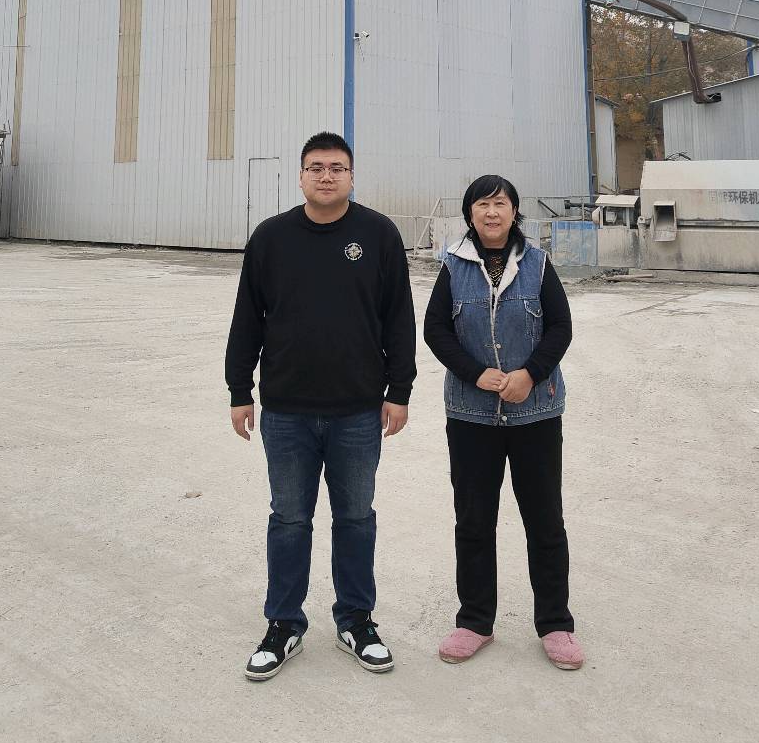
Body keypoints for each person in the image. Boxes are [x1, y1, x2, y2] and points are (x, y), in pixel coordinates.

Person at [225, 131, 416, 682]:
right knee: (289, 520)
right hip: (286, 410)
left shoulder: (378, 234)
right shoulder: (271, 237)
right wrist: (239, 389)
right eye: (316, 167)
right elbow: (247, 318)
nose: (326, 176)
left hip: (357, 411)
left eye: (336, 167)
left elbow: (399, 318)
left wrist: (399, 390)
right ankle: (283, 624)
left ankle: (356, 621)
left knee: (355, 519)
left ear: (351, 176)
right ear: (301, 176)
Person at [423, 174, 584, 670]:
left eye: (500, 204)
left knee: (544, 520)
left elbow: (560, 327)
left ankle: (555, 623)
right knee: (474, 520)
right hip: (471, 415)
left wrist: (530, 374)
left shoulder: (537, 264)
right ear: (469, 213)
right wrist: (477, 374)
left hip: (535, 414)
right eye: (482, 204)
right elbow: (435, 330)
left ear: (514, 212)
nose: (491, 213)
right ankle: (474, 621)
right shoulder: (453, 265)